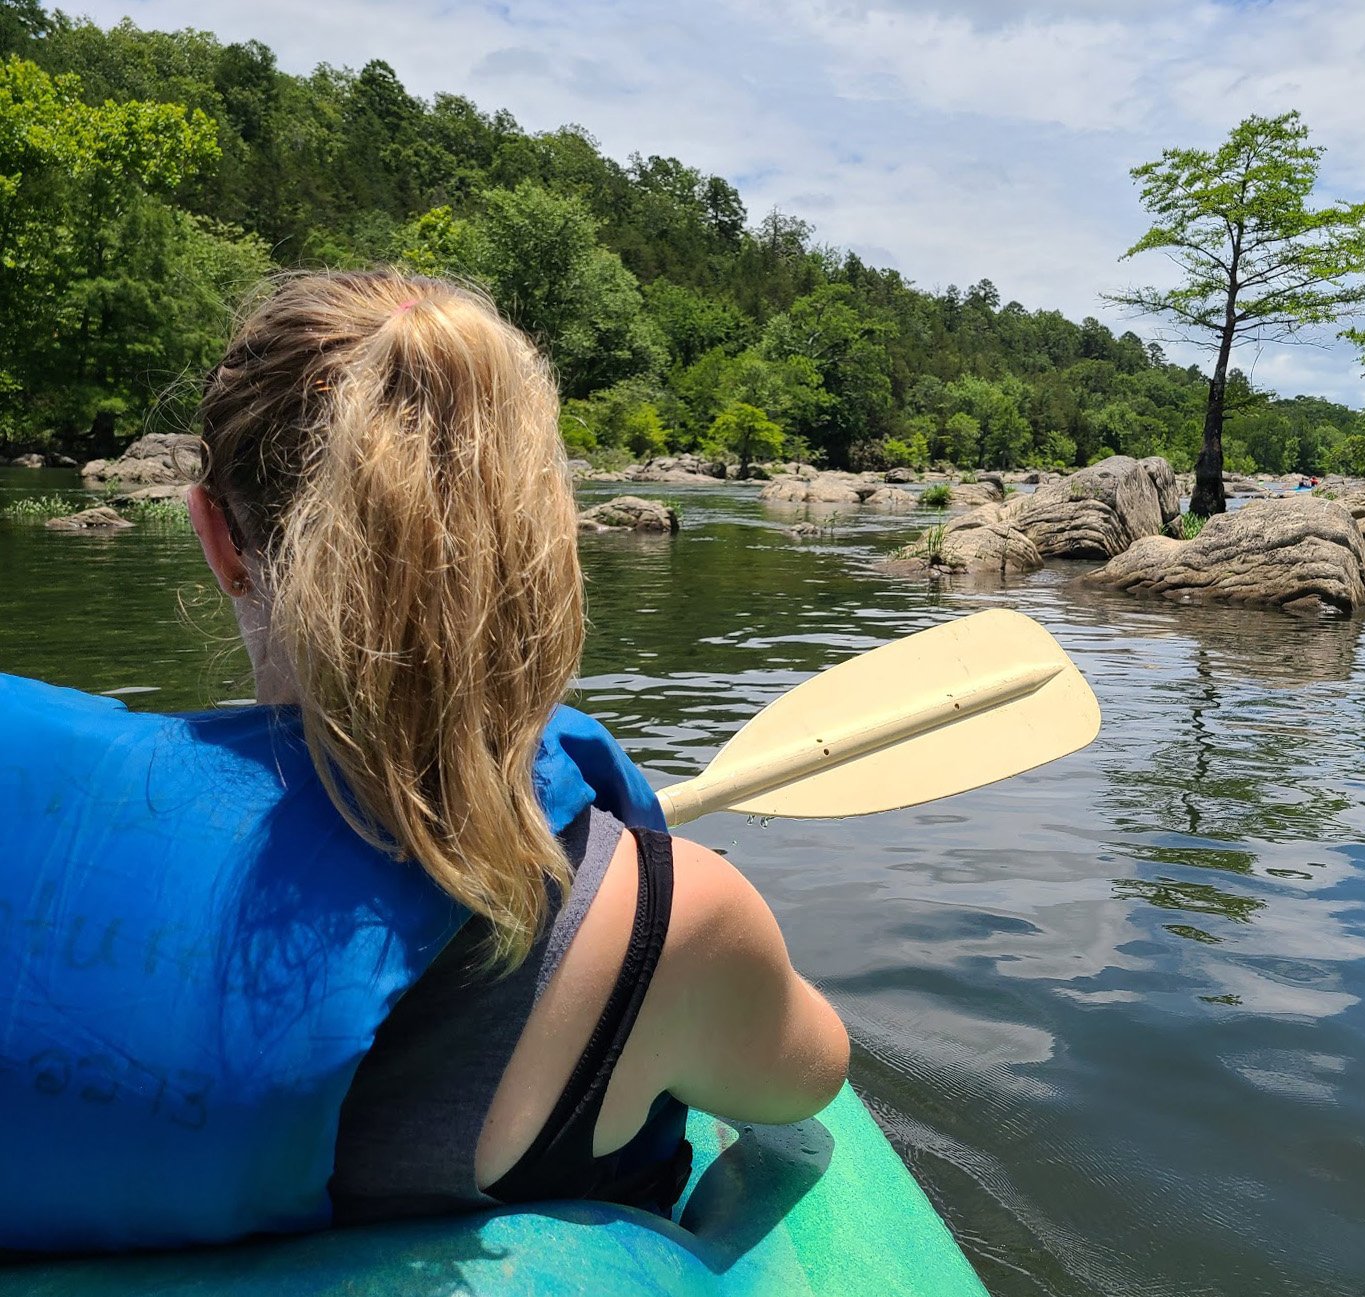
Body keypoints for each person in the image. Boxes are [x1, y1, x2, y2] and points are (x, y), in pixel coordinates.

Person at [0, 270, 848, 1253]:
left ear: (216, 536)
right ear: (541, 536)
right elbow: (809, 1075)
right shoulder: (683, 923)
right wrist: (667, 899)